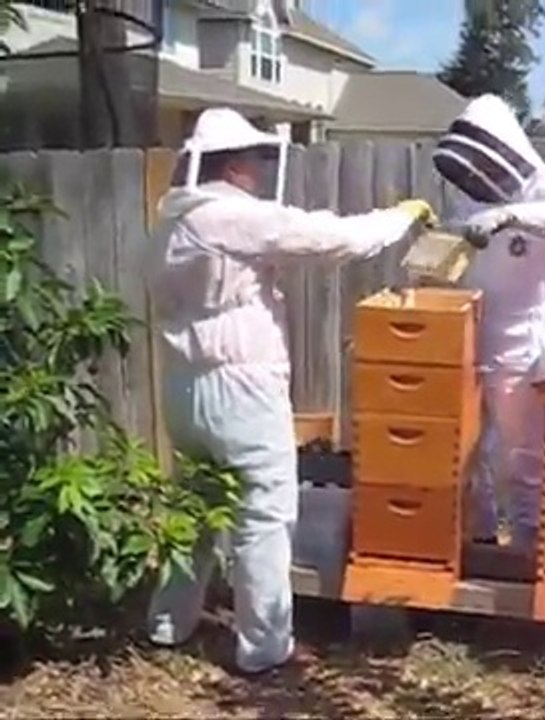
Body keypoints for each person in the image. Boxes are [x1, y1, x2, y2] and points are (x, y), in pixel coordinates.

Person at [145, 107, 437, 674]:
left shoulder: (171, 223)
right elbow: (333, 239)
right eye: (253, 158)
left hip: (182, 388)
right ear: (231, 167)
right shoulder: (229, 217)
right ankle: (264, 647)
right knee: (265, 514)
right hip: (241, 388)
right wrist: (396, 218)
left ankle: (166, 623)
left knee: (197, 509)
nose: (258, 168)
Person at [432, 94, 545, 554]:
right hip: (468, 331)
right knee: (469, 447)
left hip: (522, 341)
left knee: (524, 451)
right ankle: (480, 537)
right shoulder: (471, 192)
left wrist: (512, 216)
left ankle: (530, 547)